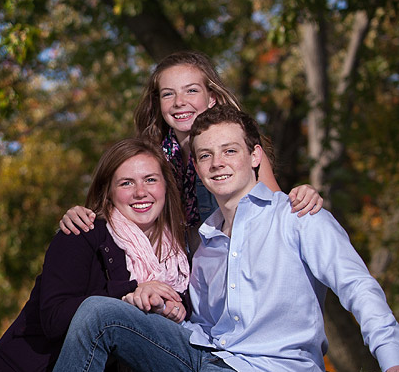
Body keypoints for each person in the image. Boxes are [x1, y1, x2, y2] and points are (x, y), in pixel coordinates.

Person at [1, 105, 399, 372]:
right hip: (207, 355)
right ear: (195, 166)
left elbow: (357, 286)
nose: (217, 162)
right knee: (95, 314)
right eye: (205, 155)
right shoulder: (203, 242)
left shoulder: (297, 217)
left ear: (255, 156)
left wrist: (392, 361)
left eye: (230, 150)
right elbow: (204, 324)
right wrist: (171, 316)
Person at [0, 138, 190, 372]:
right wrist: (129, 295)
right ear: (108, 192)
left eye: (151, 180)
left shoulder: (178, 255)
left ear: (166, 186)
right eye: (126, 183)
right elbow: (55, 318)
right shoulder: (81, 234)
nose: (141, 191)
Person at [59, 51, 322, 239]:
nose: (179, 102)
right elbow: (124, 208)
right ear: (158, 102)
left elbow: (275, 207)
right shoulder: (154, 157)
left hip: (232, 262)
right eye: (168, 94)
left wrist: (303, 195)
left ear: (212, 98)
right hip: (181, 272)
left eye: (191, 91)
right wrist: (81, 215)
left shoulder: (237, 151)